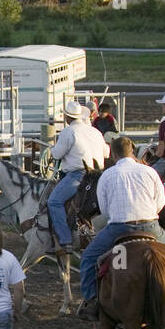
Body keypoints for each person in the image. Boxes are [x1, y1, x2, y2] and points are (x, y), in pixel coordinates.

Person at [76, 136, 165, 322]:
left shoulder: (108, 175)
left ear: (113, 154)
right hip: (151, 226)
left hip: (119, 228)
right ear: (132, 151)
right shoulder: (149, 172)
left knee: (88, 258)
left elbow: (104, 208)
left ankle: (91, 301)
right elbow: (161, 202)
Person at [47, 100, 108, 253]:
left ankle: (65, 240)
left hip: (80, 174)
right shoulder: (95, 131)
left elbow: (56, 154)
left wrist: (53, 149)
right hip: (100, 174)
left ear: (67, 118)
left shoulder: (68, 132)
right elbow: (106, 153)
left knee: (54, 201)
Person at [154, 91, 165, 177]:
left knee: (151, 174)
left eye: (163, 105)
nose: (162, 107)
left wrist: (153, 159)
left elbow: (160, 151)